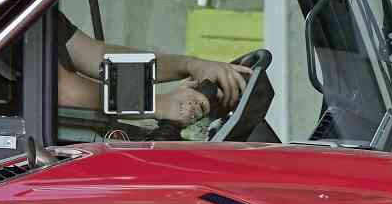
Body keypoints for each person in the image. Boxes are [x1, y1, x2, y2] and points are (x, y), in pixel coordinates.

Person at [55, 22, 252, 131]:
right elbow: (63, 93)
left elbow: (99, 55)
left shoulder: (42, 12)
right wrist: (159, 104)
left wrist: (192, 65)